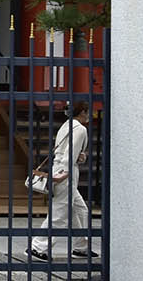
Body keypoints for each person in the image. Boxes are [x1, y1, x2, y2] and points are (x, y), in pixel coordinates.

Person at [28, 102, 94, 261]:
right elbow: (69, 155)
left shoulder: (67, 125)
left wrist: (80, 157)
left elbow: (65, 150)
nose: (89, 115)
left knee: (80, 209)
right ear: (83, 112)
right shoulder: (80, 129)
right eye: (87, 112)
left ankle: (81, 246)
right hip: (66, 174)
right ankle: (38, 247)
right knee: (60, 213)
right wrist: (65, 174)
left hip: (59, 169)